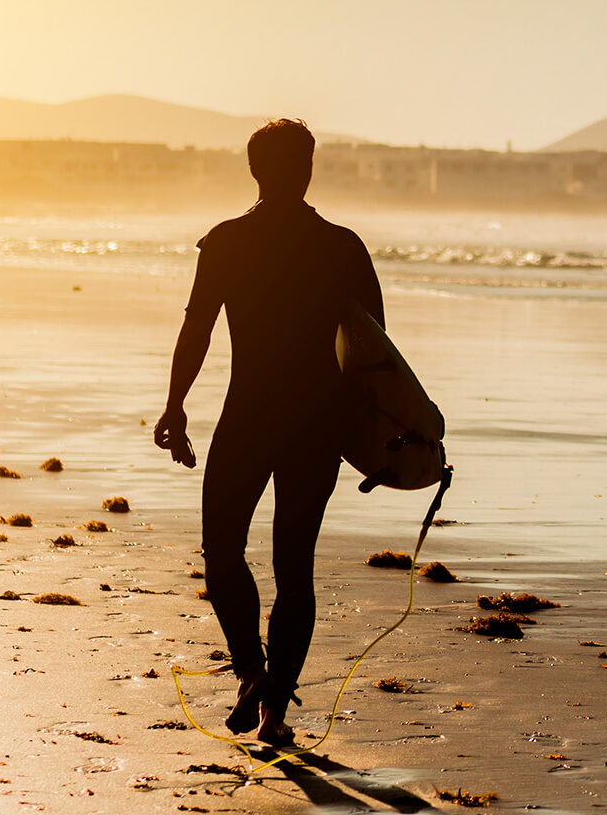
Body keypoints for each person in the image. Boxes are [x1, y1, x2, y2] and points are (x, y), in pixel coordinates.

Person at [154, 118, 384, 746]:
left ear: (254, 170)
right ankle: (274, 709)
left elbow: (196, 330)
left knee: (223, 553)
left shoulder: (228, 242)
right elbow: (373, 356)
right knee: (295, 568)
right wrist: (376, 444)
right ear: (308, 169)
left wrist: (175, 406)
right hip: (318, 425)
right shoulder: (343, 247)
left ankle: (252, 674)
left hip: (248, 416)